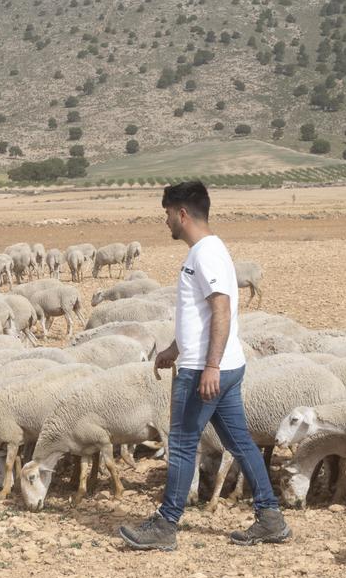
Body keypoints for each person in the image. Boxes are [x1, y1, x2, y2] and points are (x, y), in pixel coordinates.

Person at [118, 181, 291, 551]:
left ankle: (166, 525)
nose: (165, 222)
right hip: (218, 364)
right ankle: (271, 517)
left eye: (166, 214)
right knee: (240, 442)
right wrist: (175, 347)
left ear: (182, 214)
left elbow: (220, 309)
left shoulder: (205, 253)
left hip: (206, 370)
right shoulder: (208, 251)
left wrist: (209, 365)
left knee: (180, 444)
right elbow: (199, 314)